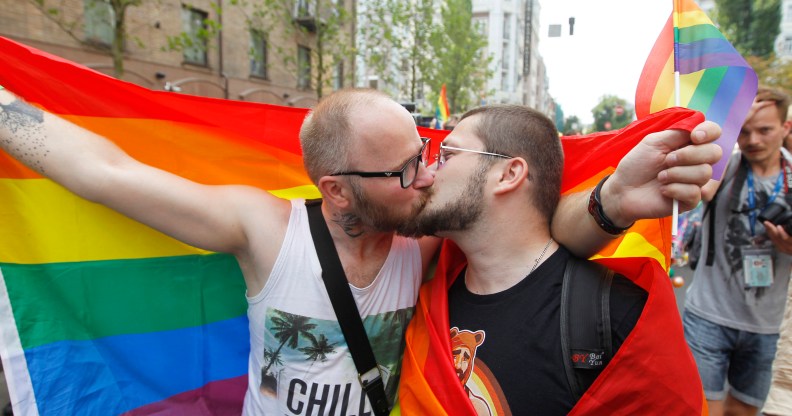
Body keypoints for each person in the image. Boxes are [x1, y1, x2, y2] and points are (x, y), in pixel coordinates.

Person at [0, 87, 721, 414]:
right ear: (338, 191)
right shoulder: (267, 231)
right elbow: (105, 174)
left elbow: (529, 235)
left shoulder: (432, 245)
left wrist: (609, 204)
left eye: (430, 153)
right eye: (407, 170)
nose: (427, 174)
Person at [397, 104, 703, 414]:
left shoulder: (614, 315)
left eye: (447, 155)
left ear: (509, 174)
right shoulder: (428, 295)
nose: (427, 173)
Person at [685, 87, 792, 416]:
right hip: (709, 316)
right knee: (704, 410)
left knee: (743, 411)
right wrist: (730, 125)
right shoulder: (727, 168)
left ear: (785, 128)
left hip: (765, 324)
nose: (753, 140)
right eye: (744, 131)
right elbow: (699, 192)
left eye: (764, 130)